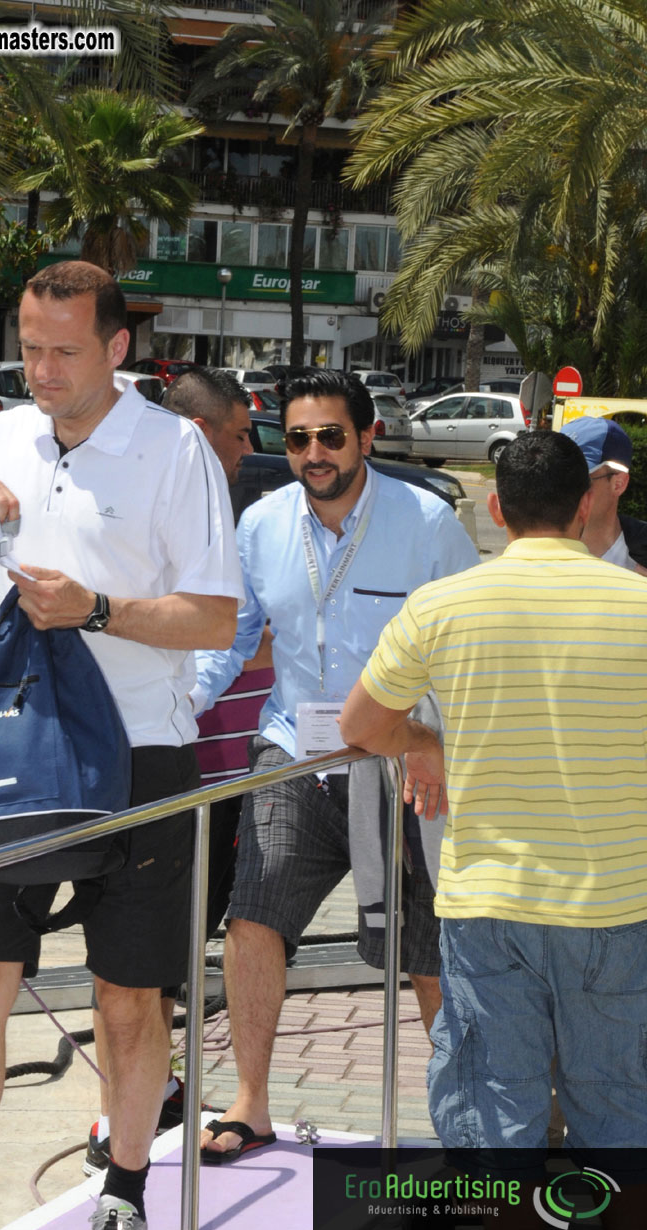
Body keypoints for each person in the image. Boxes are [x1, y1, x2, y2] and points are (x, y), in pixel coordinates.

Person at [0, 261, 243, 1230]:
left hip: (143, 756)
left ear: (117, 350)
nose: (40, 369)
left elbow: (215, 614)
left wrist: (97, 608)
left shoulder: (173, 452)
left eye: (64, 351)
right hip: (15, 755)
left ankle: (122, 1193)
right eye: (31, 347)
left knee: (130, 993)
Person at [340, 431, 647, 1230]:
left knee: (498, 1124)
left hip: (489, 907)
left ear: (497, 509)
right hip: (618, 905)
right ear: (586, 506)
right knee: (620, 1115)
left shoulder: (443, 607)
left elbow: (362, 726)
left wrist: (427, 742)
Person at [193, 370, 479, 1163]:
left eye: (329, 436)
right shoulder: (260, 523)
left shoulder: (427, 524)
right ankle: (251, 1101)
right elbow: (234, 635)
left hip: (399, 760)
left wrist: (436, 746)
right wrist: (179, 705)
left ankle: (464, 1128)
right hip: (294, 750)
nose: (312, 454)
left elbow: (464, 653)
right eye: (295, 439)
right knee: (254, 918)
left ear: (367, 435)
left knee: (426, 950)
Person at [84, 365, 274, 1173]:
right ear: (199, 431)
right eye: (240, 435)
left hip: (208, 764)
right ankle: (130, 1110)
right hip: (174, 759)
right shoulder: (163, 500)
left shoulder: (217, 507)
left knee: (158, 953)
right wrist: (186, 709)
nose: (248, 451)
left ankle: (141, 1098)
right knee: (147, 956)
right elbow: (222, 641)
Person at [560, 416, 647, 569]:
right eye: (556, 476)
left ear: (618, 484)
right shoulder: (531, 554)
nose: (563, 488)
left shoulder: (640, 557)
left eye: (578, 480)